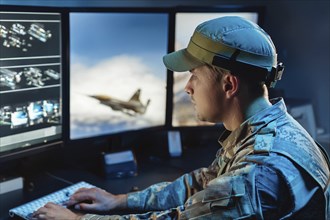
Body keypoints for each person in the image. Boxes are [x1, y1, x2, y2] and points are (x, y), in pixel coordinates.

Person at [34, 16, 330, 220]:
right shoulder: (271, 133)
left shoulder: (258, 173)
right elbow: (206, 184)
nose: (187, 87)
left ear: (229, 85)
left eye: (194, 75)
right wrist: (118, 201)